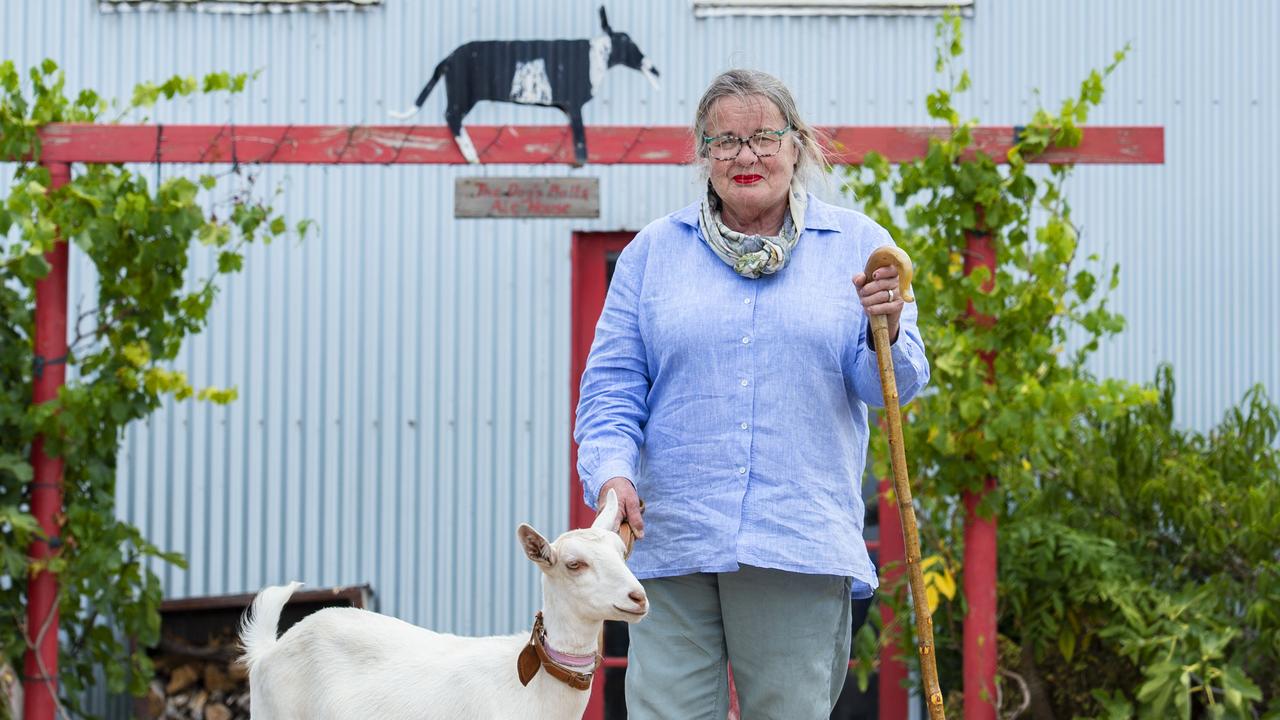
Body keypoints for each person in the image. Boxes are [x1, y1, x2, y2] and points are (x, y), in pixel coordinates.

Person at [573, 68, 930, 719]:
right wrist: (612, 476)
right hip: (672, 536)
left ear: (797, 145)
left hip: (796, 538)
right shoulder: (655, 253)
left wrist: (892, 328)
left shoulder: (857, 246)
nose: (746, 156)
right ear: (703, 153)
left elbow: (892, 389)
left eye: (764, 136)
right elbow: (612, 390)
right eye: (726, 140)